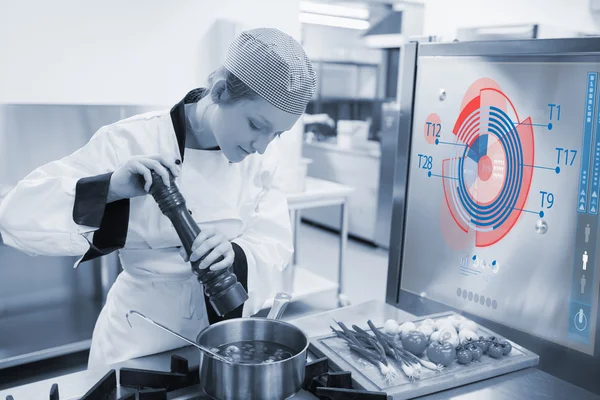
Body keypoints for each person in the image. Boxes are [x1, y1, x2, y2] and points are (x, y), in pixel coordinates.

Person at [0, 28, 316, 368]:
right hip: (139, 338)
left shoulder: (262, 157)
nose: (262, 145)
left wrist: (235, 253)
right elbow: (14, 218)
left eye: (277, 134)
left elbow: (275, 242)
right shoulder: (131, 140)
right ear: (221, 92)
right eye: (256, 125)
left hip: (225, 339)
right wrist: (111, 188)